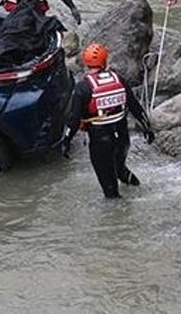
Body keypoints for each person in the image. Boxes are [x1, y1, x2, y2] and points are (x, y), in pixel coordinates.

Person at [62, 44, 154, 199]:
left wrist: (65, 142)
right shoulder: (119, 80)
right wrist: (147, 128)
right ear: (105, 62)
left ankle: (120, 218)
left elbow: (73, 120)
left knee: (110, 191)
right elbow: (135, 107)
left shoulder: (82, 88)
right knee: (120, 170)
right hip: (122, 137)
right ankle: (141, 192)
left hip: (100, 141)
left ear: (86, 63)